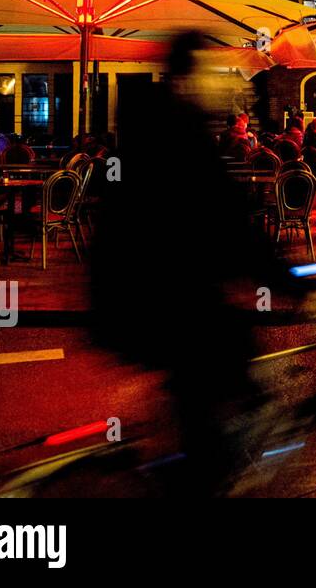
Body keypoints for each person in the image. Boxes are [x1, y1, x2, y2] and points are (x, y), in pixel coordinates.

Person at [89, 33, 281, 496]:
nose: (221, 86)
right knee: (227, 365)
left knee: (207, 387)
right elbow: (225, 219)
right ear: (190, 78)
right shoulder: (182, 135)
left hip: (128, 291)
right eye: (213, 75)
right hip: (162, 298)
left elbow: (214, 220)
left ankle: (195, 463)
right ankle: (205, 478)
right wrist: (285, 276)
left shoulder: (152, 126)